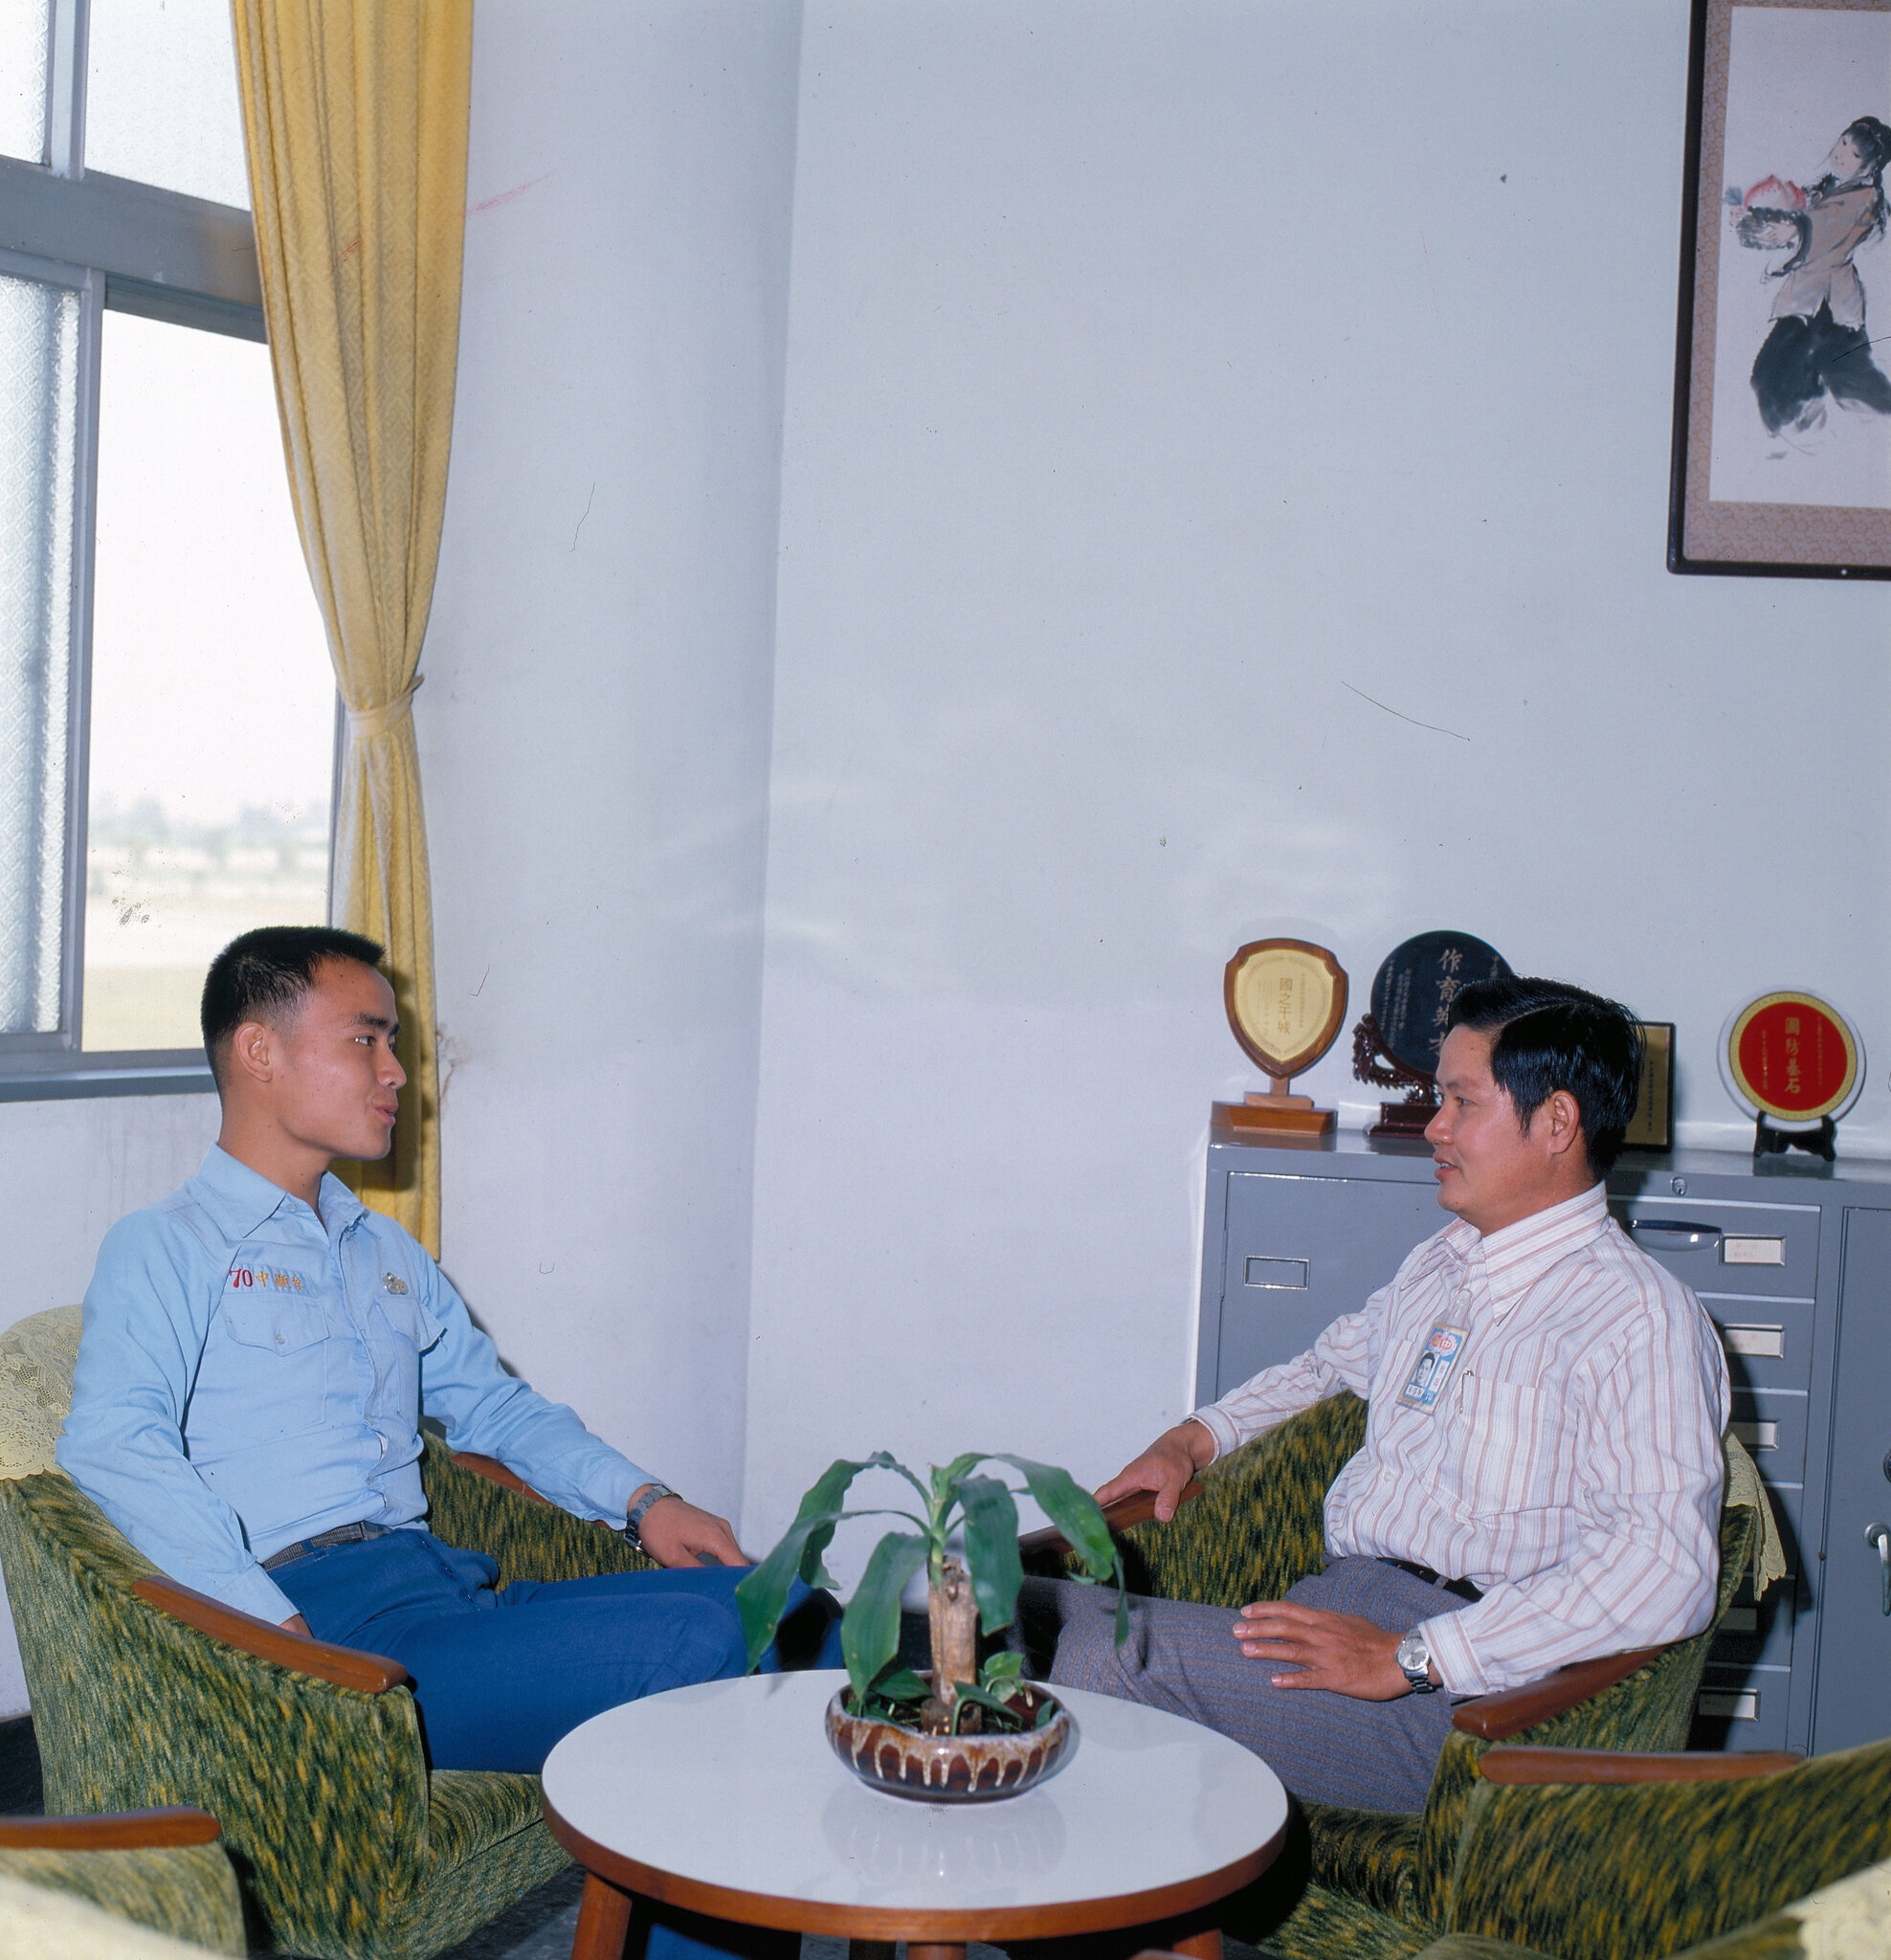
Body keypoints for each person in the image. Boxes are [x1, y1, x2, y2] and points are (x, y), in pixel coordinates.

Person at [58, 925, 836, 1960]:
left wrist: (646, 1500)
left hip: (447, 1593)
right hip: (330, 1626)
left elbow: (497, 1411)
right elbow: (113, 1443)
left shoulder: (384, 1250)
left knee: (790, 1609)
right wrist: (279, 1630)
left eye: (395, 1043)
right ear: (259, 1051)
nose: (397, 1073)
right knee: (699, 1654)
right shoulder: (166, 1245)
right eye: (368, 1039)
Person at [1021, 977, 1730, 1815]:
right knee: (994, 1602)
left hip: (1461, 1702)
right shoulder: (1447, 1260)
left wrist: (1413, 1657)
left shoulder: (1638, 1317)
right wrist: (1193, 1439)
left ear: (1557, 1123)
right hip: (1338, 1612)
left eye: (1462, 1102)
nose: (1435, 1127)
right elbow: (1328, 1368)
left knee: (1109, 1658)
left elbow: (1665, 1570)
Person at [1733, 116, 1891, 435]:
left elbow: (1822, 227)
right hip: (1813, 299)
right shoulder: (1828, 185)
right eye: (1844, 142)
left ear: (1870, 167)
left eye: (1855, 154)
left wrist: (1792, 228)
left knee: (1780, 375)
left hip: (1828, 303)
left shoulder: (1864, 199)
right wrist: (1756, 215)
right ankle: (1801, 426)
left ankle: (1800, 429)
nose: (1842, 153)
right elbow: (1799, 210)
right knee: (1827, 376)